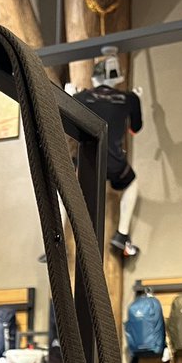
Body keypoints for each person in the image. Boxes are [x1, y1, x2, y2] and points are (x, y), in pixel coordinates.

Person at [70, 51, 143, 259]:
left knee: (65, 185)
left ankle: (54, 232)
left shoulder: (80, 98)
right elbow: (135, 129)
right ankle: (122, 234)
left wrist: (71, 95)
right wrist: (137, 100)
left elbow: (69, 127)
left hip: (87, 161)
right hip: (114, 162)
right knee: (132, 184)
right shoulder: (129, 98)